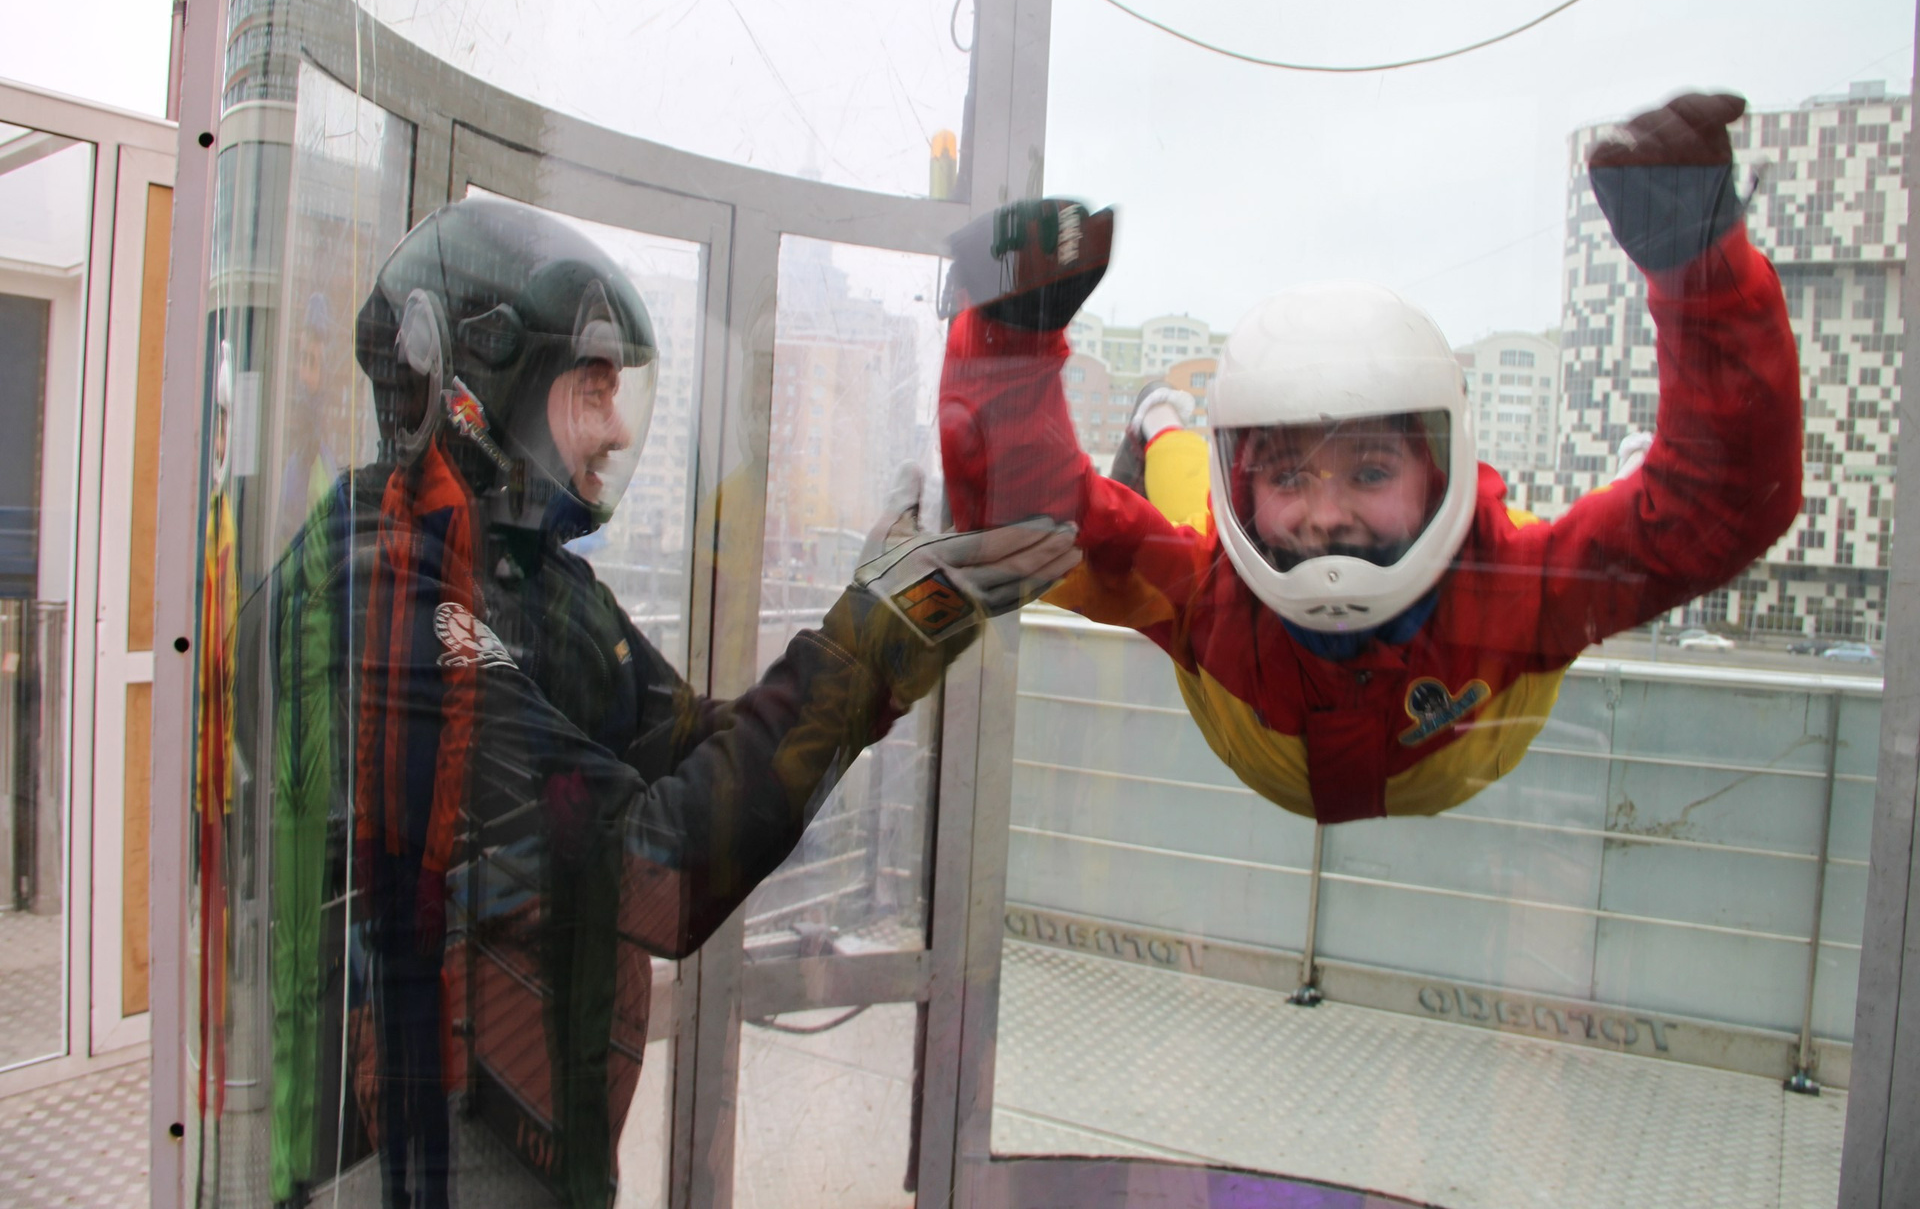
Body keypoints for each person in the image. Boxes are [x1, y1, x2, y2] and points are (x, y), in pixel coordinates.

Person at [261, 197, 1078, 1208]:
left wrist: (899, 623)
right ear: (470, 386)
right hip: (408, 1157)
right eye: (590, 387)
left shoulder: (531, 581)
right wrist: (869, 643)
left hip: (530, 1129)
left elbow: (701, 751)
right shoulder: (377, 596)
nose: (614, 428)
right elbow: (650, 867)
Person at [937, 91, 1801, 824]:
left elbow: (1710, 511)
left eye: (1373, 471)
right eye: (1287, 474)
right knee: (1181, 482)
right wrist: (1007, 336)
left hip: (1277, 746)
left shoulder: (1514, 582)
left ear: (1440, 475)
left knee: (1181, 497)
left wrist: (1702, 268)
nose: (1328, 516)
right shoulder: (1214, 586)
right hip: (1434, 758)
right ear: (1245, 486)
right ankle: (1162, 422)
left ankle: (1165, 420)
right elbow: (1041, 526)